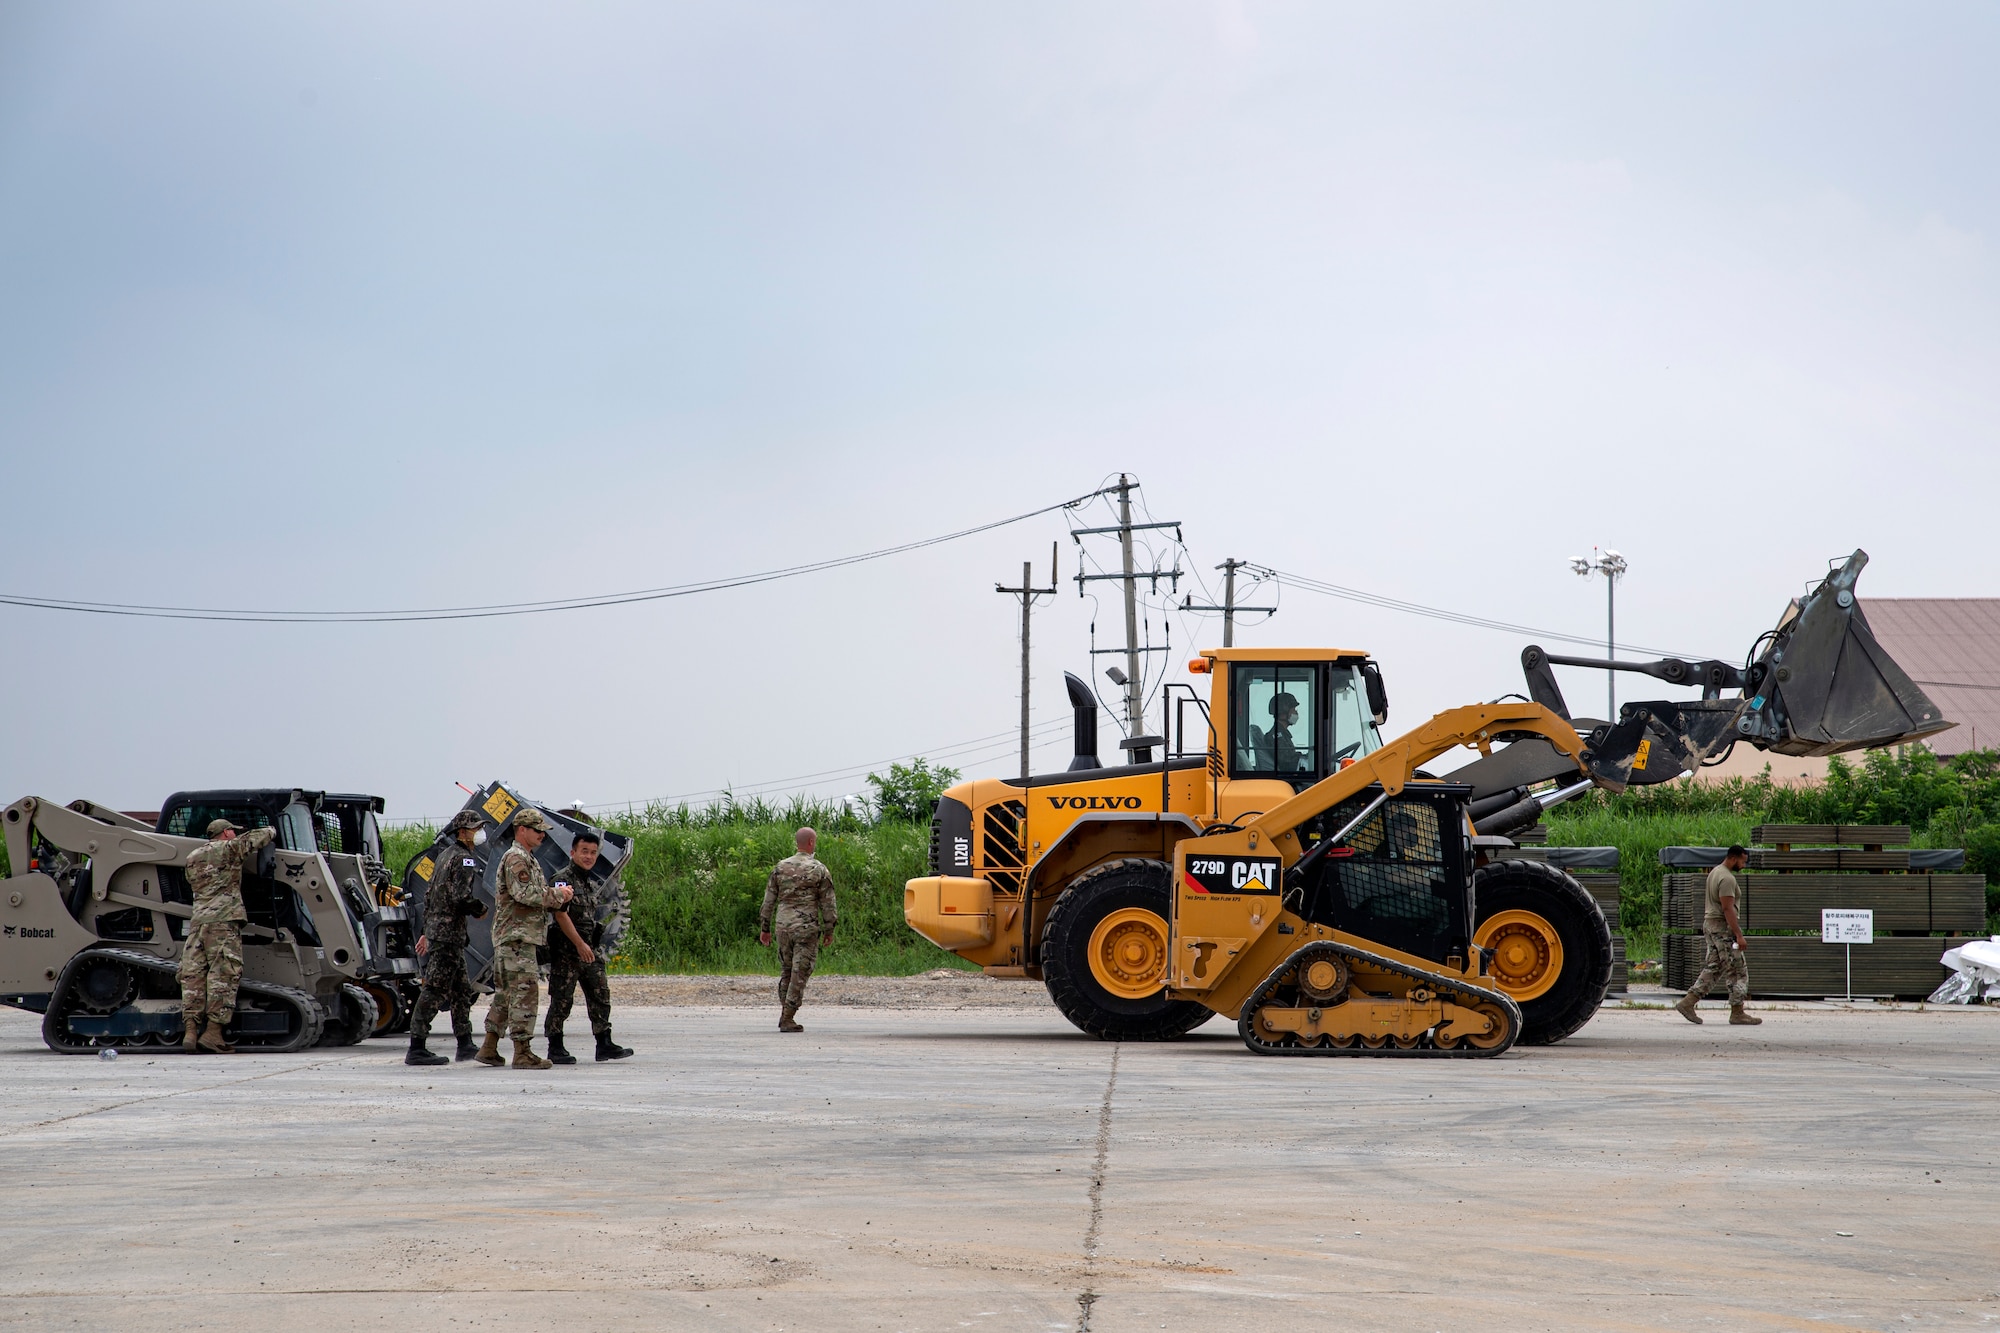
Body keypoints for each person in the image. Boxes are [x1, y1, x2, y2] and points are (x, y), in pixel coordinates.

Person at [474, 808, 573, 1069]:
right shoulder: (517, 858)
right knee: (524, 994)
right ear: (521, 830)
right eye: (536, 830)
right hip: (516, 938)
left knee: (506, 995)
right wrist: (559, 896)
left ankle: (489, 1047)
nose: (542, 835)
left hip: (514, 936)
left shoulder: (523, 857)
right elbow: (527, 894)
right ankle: (523, 1052)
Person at [179, 818, 278, 1054]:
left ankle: (191, 1030)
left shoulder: (192, 857)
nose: (235, 834)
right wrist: (274, 828)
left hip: (198, 922)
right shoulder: (229, 848)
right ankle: (213, 1033)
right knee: (223, 973)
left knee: (193, 975)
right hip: (223, 921)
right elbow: (259, 836)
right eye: (233, 831)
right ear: (226, 833)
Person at [405, 810, 489, 1066]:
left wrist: (426, 932)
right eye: (475, 828)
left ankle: (464, 1043)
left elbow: (429, 896)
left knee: (462, 989)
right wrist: (479, 909)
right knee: (435, 989)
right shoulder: (464, 859)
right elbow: (460, 898)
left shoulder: (444, 856)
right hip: (448, 935)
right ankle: (417, 1047)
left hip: (442, 933)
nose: (479, 832)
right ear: (462, 832)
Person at [544, 829, 632, 1064]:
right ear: (573, 852)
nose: (589, 857)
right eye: (584, 851)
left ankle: (604, 1044)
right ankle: (555, 1046)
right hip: (567, 951)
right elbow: (561, 916)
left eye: (593, 853)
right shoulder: (562, 881)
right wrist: (580, 944)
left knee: (600, 995)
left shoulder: (590, 883)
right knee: (562, 1000)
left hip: (588, 950)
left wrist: (590, 944)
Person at [759, 827, 837, 1033]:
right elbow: (828, 903)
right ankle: (787, 1017)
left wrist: (764, 928)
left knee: (787, 970)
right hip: (805, 927)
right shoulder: (819, 869)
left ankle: (786, 1013)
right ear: (811, 843)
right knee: (800, 973)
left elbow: (768, 901)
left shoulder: (780, 867)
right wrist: (829, 929)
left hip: (783, 926)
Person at [1675, 844, 1762, 1026]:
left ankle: (1687, 1002)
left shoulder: (1715, 872)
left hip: (1711, 925)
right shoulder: (1727, 878)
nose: (1743, 866)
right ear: (1734, 858)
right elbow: (1727, 908)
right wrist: (1738, 935)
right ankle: (1737, 1012)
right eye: (1742, 861)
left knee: (1714, 967)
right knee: (1738, 970)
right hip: (1722, 928)